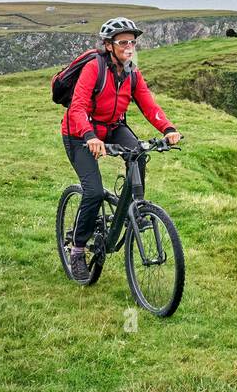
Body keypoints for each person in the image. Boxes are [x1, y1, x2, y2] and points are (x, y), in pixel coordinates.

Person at [61, 17, 182, 281]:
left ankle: (135, 208)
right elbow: (78, 107)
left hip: (113, 126)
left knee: (139, 155)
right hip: (79, 132)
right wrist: (90, 136)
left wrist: (168, 129)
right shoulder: (95, 68)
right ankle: (78, 250)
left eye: (133, 42)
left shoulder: (131, 72)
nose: (129, 47)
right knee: (92, 191)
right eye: (123, 42)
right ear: (108, 45)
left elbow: (148, 104)